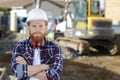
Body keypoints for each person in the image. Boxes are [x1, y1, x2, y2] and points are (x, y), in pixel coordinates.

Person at [10, 8, 63, 80]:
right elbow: (17, 72)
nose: (37, 30)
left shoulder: (55, 48)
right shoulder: (19, 47)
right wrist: (44, 67)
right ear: (28, 27)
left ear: (46, 27)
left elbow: (55, 76)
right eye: (34, 26)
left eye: (40, 26)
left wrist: (26, 66)